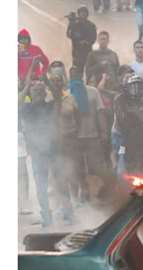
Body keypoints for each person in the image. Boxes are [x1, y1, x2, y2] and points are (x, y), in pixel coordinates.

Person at [19, 70, 56, 226]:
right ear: (31, 94)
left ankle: (64, 213)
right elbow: (19, 101)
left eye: (40, 91)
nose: (38, 94)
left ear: (43, 93)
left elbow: (56, 94)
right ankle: (47, 216)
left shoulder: (48, 106)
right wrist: (30, 86)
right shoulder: (27, 109)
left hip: (51, 152)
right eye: (35, 91)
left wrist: (43, 82)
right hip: (38, 154)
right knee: (41, 186)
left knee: (57, 184)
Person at [68, 67, 111, 201]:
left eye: (78, 74)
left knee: (97, 167)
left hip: (92, 136)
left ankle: (107, 191)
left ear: (82, 76)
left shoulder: (93, 92)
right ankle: (84, 191)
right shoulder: (67, 94)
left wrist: (104, 132)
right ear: (69, 77)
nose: (76, 77)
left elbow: (100, 113)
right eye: (73, 75)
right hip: (75, 138)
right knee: (78, 168)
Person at [111, 74, 143, 178]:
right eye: (133, 86)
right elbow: (122, 121)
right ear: (127, 88)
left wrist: (139, 114)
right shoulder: (120, 101)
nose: (136, 89)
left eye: (138, 86)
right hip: (124, 141)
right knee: (121, 172)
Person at [48, 68, 81, 224]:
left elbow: (79, 118)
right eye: (53, 80)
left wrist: (76, 136)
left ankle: (73, 204)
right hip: (53, 143)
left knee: (71, 174)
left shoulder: (71, 98)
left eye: (58, 80)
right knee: (58, 177)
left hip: (69, 141)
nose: (56, 83)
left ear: (63, 82)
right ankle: (66, 209)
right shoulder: (47, 100)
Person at [66, 6, 97, 75]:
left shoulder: (91, 25)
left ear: (87, 14)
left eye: (85, 13)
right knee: (78, 73)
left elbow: (94, 38)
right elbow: (68, 34)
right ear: (78, 14)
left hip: (88, 52)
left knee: (89, 73)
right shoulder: (74, 24)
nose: (83, 14)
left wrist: (87, 42)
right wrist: (70, 23)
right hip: (77, 53)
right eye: (81, 13)